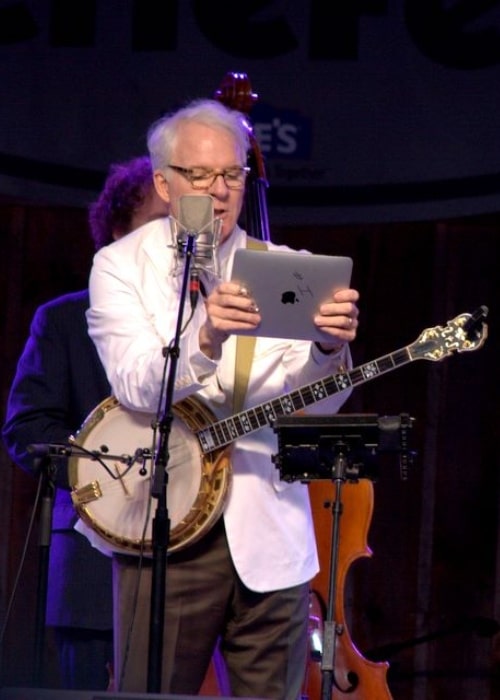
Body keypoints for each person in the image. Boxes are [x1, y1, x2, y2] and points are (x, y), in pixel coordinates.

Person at [84, 98, 360, 699]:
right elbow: (134, 383)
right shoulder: (120, 266)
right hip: (167, 526)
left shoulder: (287, 269)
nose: (219, 189)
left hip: (271, 526)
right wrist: (206, 336)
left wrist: (327, 352)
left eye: (232, 174)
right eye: (199, 175)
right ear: (163, 182)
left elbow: (310, 410)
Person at [2, 156, 170, 690]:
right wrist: (109, 465)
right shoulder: (64, 319)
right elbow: (27, 430)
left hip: (199, 560)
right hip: (94, 565)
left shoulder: (208, 320)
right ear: (117, 235)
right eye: (156, 227)